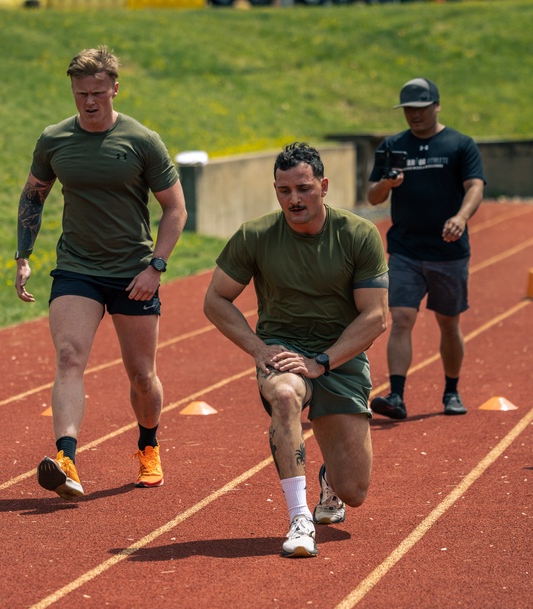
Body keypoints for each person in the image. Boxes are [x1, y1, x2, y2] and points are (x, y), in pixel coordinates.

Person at [13, 46, 187, 499]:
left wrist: (156, 267)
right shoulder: (54, 140)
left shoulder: (142, 140)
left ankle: (149, 445)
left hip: (133, 273)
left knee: (141, 375)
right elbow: (34, 196)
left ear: (114, 88)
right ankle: (66, 457)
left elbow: (175, 209)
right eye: (80, 93)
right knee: (69, 356)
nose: (89, 102)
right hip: (77, 268)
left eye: (97, 92)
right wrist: (23, 254)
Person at [203, 142, 389, 557]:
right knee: (285, 395)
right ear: (275, 191)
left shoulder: (358, 235)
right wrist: (257, 347)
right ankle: (300, 518)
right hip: (283, 352)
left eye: (303, 188)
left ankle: (330, 482)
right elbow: (215, 299)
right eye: (285, 191)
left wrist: (322, 362)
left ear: (323, 186)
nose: (294, 199)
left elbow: (375, 317)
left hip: (338, 356)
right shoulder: (255, 236)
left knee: (355, 491)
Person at [366, 77, 486, 420]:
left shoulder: (460, 144)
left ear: (436, 106)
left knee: (448, 323)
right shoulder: (392, 145)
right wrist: (387, 182)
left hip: (449, 251)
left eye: (420, 108)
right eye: (408, 110)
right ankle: (397, 396)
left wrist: (461, 218)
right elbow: (373, 196)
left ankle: (451, 390)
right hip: (405, 249)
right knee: (401, 318)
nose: (414, 115)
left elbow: (475, 186)